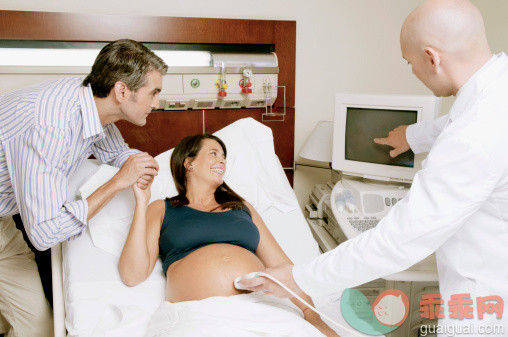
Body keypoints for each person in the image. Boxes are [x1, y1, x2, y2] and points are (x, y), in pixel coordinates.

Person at [241, 0, 508, 334]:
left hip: (487, 305)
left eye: (410, 63)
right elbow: (458, 123)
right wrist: (413, 135)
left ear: (432, 58)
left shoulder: (474, 135)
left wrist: (300, 278)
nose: (412, 72)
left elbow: (399, 239)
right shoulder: (496, 89)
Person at [0, 39, 166, 336]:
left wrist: (138, 164)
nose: (156, 103)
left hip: (1, 225)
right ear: (122, 91)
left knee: (37, 327)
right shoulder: (50, 127)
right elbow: (45, 233)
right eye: (153, 92)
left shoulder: (91, 101)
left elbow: (115, 151)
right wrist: (117, 183)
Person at [119, 134, 339, 337]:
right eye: (213, 153)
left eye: (224, 157)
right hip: (197, 316)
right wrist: (141, 202)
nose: (222, 161)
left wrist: (313, 317)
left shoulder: (242, 208)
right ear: (189, 163)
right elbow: (132, 275)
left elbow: (282, 266)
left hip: (262, 309)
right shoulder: (162, 208)